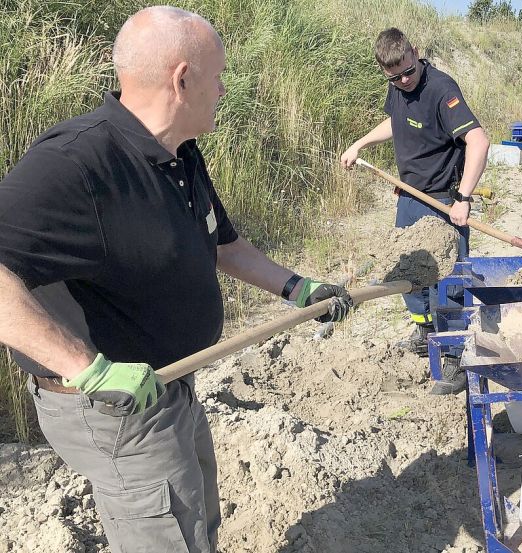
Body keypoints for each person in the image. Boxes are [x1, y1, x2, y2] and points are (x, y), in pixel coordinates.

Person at [0, 7, 352, 553]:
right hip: (115, 409)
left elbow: (223, 243)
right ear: (182, 78)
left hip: (170, 387)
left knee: (196, 525)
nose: (225, 88)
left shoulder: (179, 152)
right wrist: (85, 369)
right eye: (219, 76)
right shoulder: (77, 163)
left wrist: (297, 288)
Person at [341, 28, 490, 395]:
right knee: (407, 270)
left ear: (415, 52)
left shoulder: (441, 88)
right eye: (394, 77)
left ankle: (455, 358)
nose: (404, 81)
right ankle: (425, 333)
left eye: (408, 71)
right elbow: (395, 121)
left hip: (443, 200)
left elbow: (478, 139)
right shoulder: (396, 87)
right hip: (409, 197)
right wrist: (359, 143)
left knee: (448, 282)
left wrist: (464, 197)